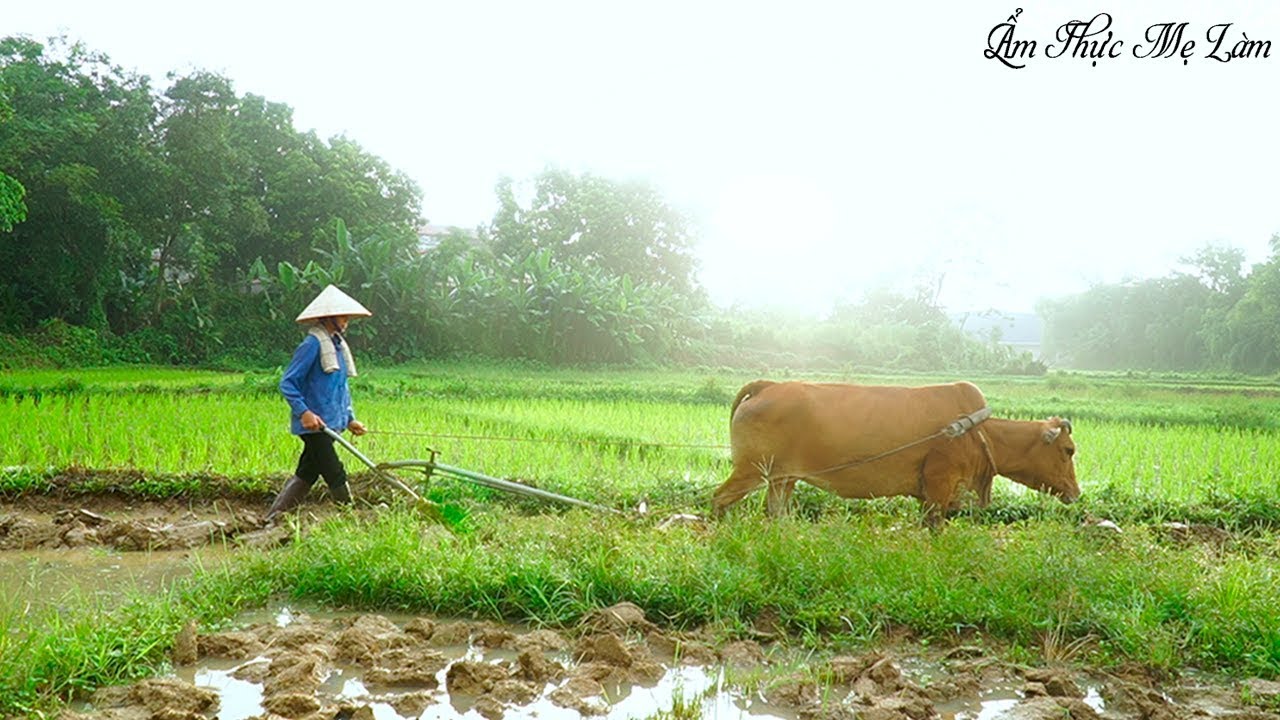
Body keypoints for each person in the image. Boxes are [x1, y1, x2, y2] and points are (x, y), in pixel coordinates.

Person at [265, 284, 372, 523]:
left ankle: (273, 518)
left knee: (308, 471)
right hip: (314, 425)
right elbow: (288, 382)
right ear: (329, 317)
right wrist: (304, 412)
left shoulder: (337, 346)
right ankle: (350, 519)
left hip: (331, 422)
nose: (346, 321)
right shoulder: (312, 345)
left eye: (347, 317)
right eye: (342, 317)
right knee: (334, 470)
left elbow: (340, 388)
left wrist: (350, 419)